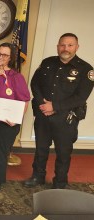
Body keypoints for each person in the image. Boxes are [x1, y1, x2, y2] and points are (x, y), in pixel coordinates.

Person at [24, 33, 94, 189]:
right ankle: (38, 176)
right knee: (41, 148)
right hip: (43, 114)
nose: (66, 48)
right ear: (58, 46)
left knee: (63, 152)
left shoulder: (86, 69)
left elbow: (80, 97)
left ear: (77, 47)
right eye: (62, 45)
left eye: (70, 45)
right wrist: (43, 104)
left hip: (65, 118)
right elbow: (35, 84)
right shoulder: (47, 62)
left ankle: (60, 182)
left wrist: (54, 107)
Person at [0, 43, 30, 195]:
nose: (0, 57)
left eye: (4, 55)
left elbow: (24, 100)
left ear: (11, 58)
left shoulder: (16, 77)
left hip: (6, 122)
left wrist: (16, 119)